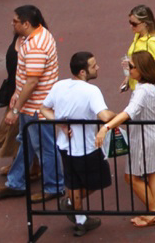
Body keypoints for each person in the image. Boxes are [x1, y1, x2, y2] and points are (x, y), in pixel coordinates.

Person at [0, 5, 63, 202]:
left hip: (36, 107)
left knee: (45, 147)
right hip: (33, 105)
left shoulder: (35, 46)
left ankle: (54, 185)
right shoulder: (39, 36)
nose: (12, 24)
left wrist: (15, 109)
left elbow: (32, 81)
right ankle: (16, 182)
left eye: (15, 21)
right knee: (27, 142)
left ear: (26, 23)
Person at [36, 50, 109, 237]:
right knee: (100, 179)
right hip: (87, 146)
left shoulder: (59, 86)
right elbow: (104, 116)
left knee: (74, 183)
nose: (98, 67)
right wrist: (124, 115)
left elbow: (44, 108)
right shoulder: (92, 91)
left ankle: (80, 220)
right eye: (93, 66)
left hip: (65, 145)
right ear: (83, 72)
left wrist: (60, 122)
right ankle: (71, 206)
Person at [93, 50, 155, 229]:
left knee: (131, 177)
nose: (129, 70)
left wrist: (106, 127)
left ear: (141, 70)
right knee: (153, 171)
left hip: (142, 137)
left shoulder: (142, 91)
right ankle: (152, 211)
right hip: (154, 132)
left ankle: (154, 212)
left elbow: (129, 112)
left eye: (131, 67)